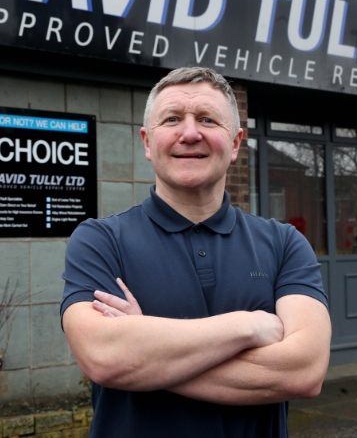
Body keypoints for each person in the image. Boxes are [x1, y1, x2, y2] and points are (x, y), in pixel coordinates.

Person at [61, 67, 331, 437]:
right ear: (146, 142)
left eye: (207, 119)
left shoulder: (284, 243)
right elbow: (104, 358)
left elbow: (304, 371)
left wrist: (145, 351)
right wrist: (248, 326)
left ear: (235, 143)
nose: (189, 133)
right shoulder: (100, 240)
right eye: (172, 119)